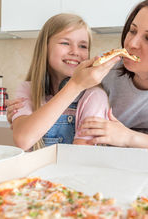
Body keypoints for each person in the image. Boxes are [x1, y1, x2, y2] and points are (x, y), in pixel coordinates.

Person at [7, 0, 148, 154]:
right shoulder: (102, 73)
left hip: (145, 155)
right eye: (132, 30)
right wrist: (30, 113)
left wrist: (128, 137)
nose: (131, 43)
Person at [9, 13, 120, 151]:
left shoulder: (94, 96)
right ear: (45, 47)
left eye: (83, 46)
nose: (75, 52)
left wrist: (76, 85)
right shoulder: (27, 89)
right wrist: (75, 86)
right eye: (65, 43)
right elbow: (23, 140)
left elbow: (80, 156)